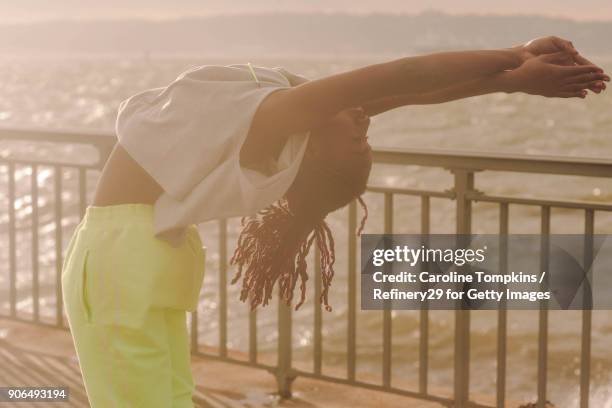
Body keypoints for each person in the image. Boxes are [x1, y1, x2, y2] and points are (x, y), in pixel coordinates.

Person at [61, 36, 608, 407]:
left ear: (315, 151)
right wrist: (511, 75)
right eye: (364, 133)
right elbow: (411, 90)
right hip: (143, 253)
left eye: (358, 141)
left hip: (127, 254)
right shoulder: (291, 124)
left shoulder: (279, 122)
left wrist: (511, 57)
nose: (364, 120)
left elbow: (397, 76)